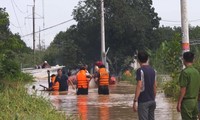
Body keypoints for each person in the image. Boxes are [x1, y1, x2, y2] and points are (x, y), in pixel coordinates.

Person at [133, 51, 156, 120]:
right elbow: (155, 86)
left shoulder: (140, 71)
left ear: (138, 60)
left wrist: (135, 101)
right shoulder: (153, 70)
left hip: (143, 101)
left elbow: (139, 86)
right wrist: (153, 98)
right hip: (152, 101)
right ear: (147, 59)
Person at [177, 52, 200, 120]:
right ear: (193, 60)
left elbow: (183, 90)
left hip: (187, 103)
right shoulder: (197, 72)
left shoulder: (185, 72)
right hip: (195, 102)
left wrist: (179, 103)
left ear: (183, 60)